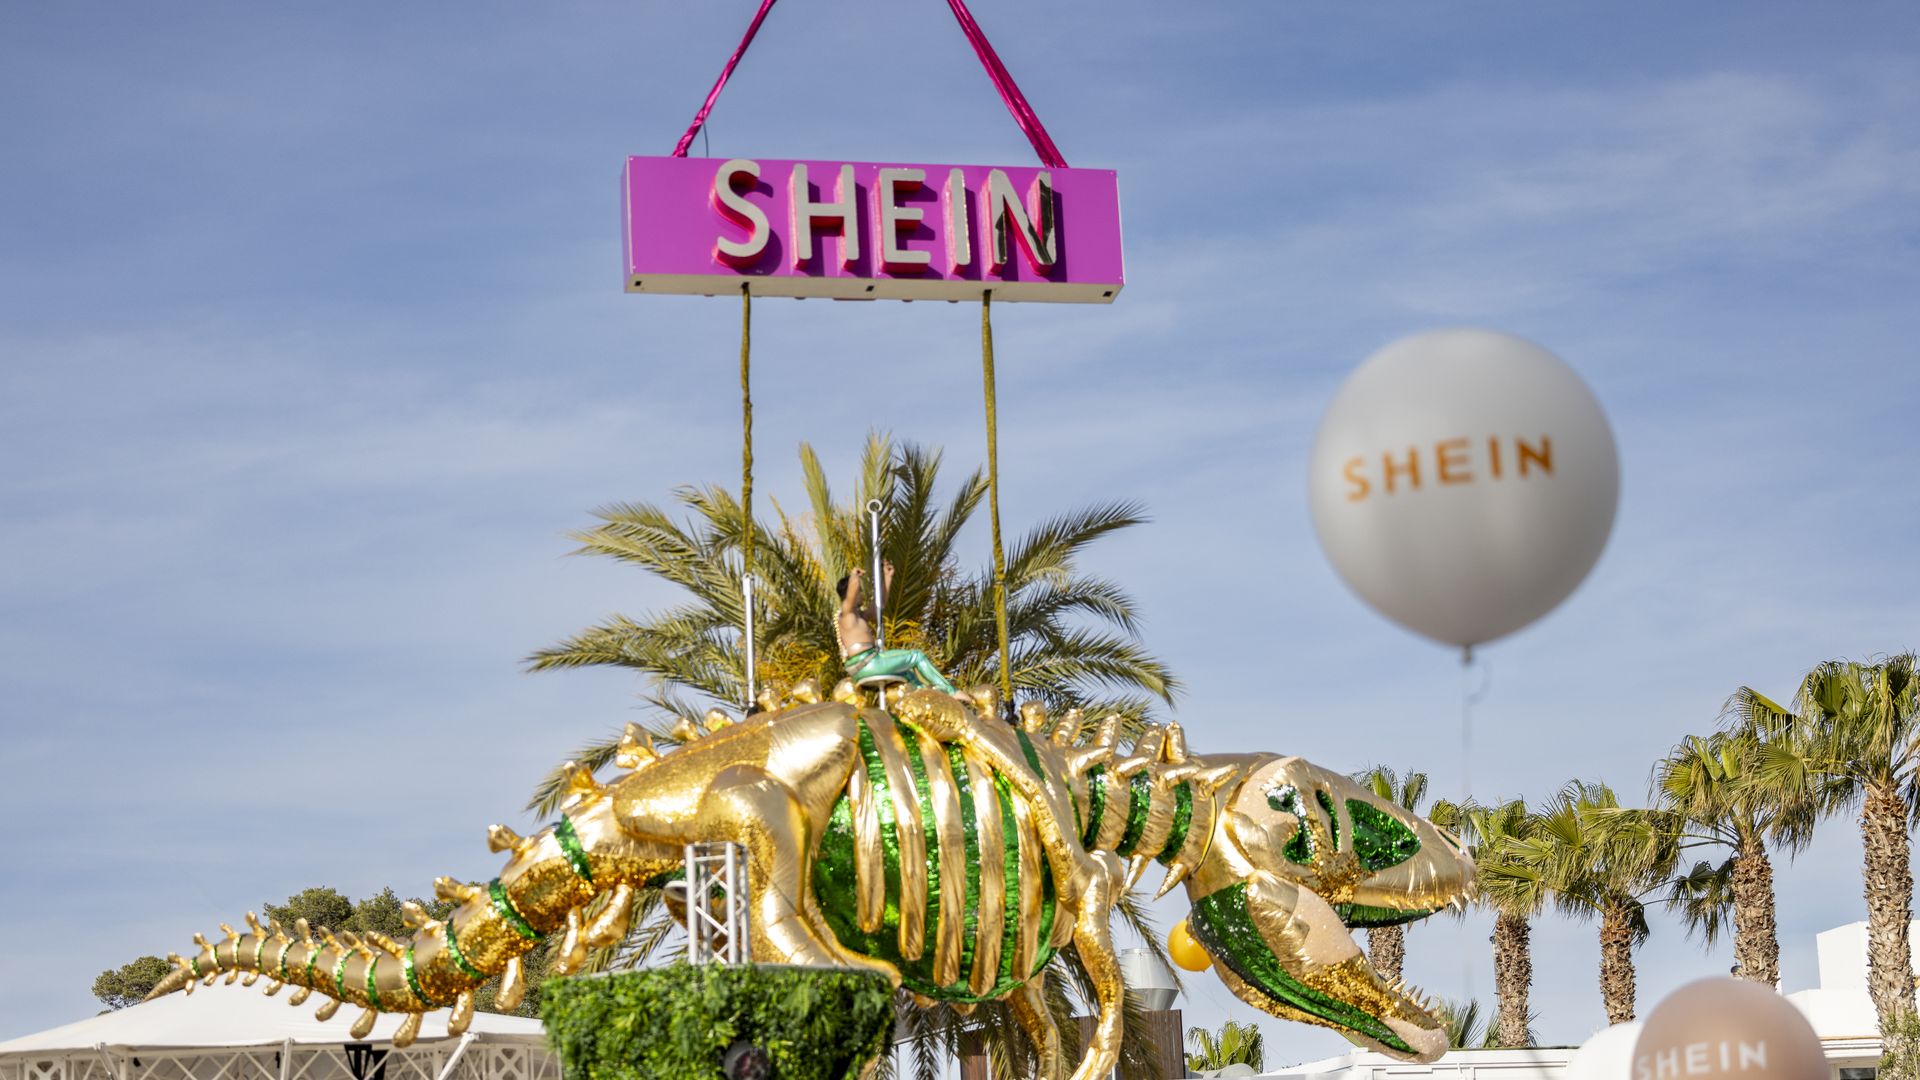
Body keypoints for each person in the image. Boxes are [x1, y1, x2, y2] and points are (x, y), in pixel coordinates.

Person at [836, 563, 957, 694]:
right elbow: (852, 588)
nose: (862, 595)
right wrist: (854, 575)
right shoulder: (846, 614)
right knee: (916, 656)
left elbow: (879, 605)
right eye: (860, 592)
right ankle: (949, 691)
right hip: (867, 664)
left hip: (870, 662)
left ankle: (923, 696)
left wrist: (888, 578)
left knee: (908, 675)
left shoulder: (860, 616)